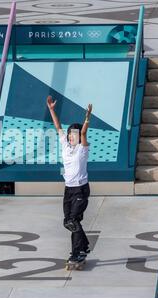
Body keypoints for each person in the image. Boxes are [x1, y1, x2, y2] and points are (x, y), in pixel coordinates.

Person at [46, 95, 92, 265]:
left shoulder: (83, 148)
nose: (71, 137)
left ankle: (77, 252)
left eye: (75, 134)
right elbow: (57, 126)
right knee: (69, 222)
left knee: (73, 221)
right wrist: (52, 109)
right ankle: (83, 246)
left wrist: (87, 117)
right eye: (70, 134)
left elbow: (85, 131)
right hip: (68, 189)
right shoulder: (65, 145)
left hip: (81, 189)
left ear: (79, 136)